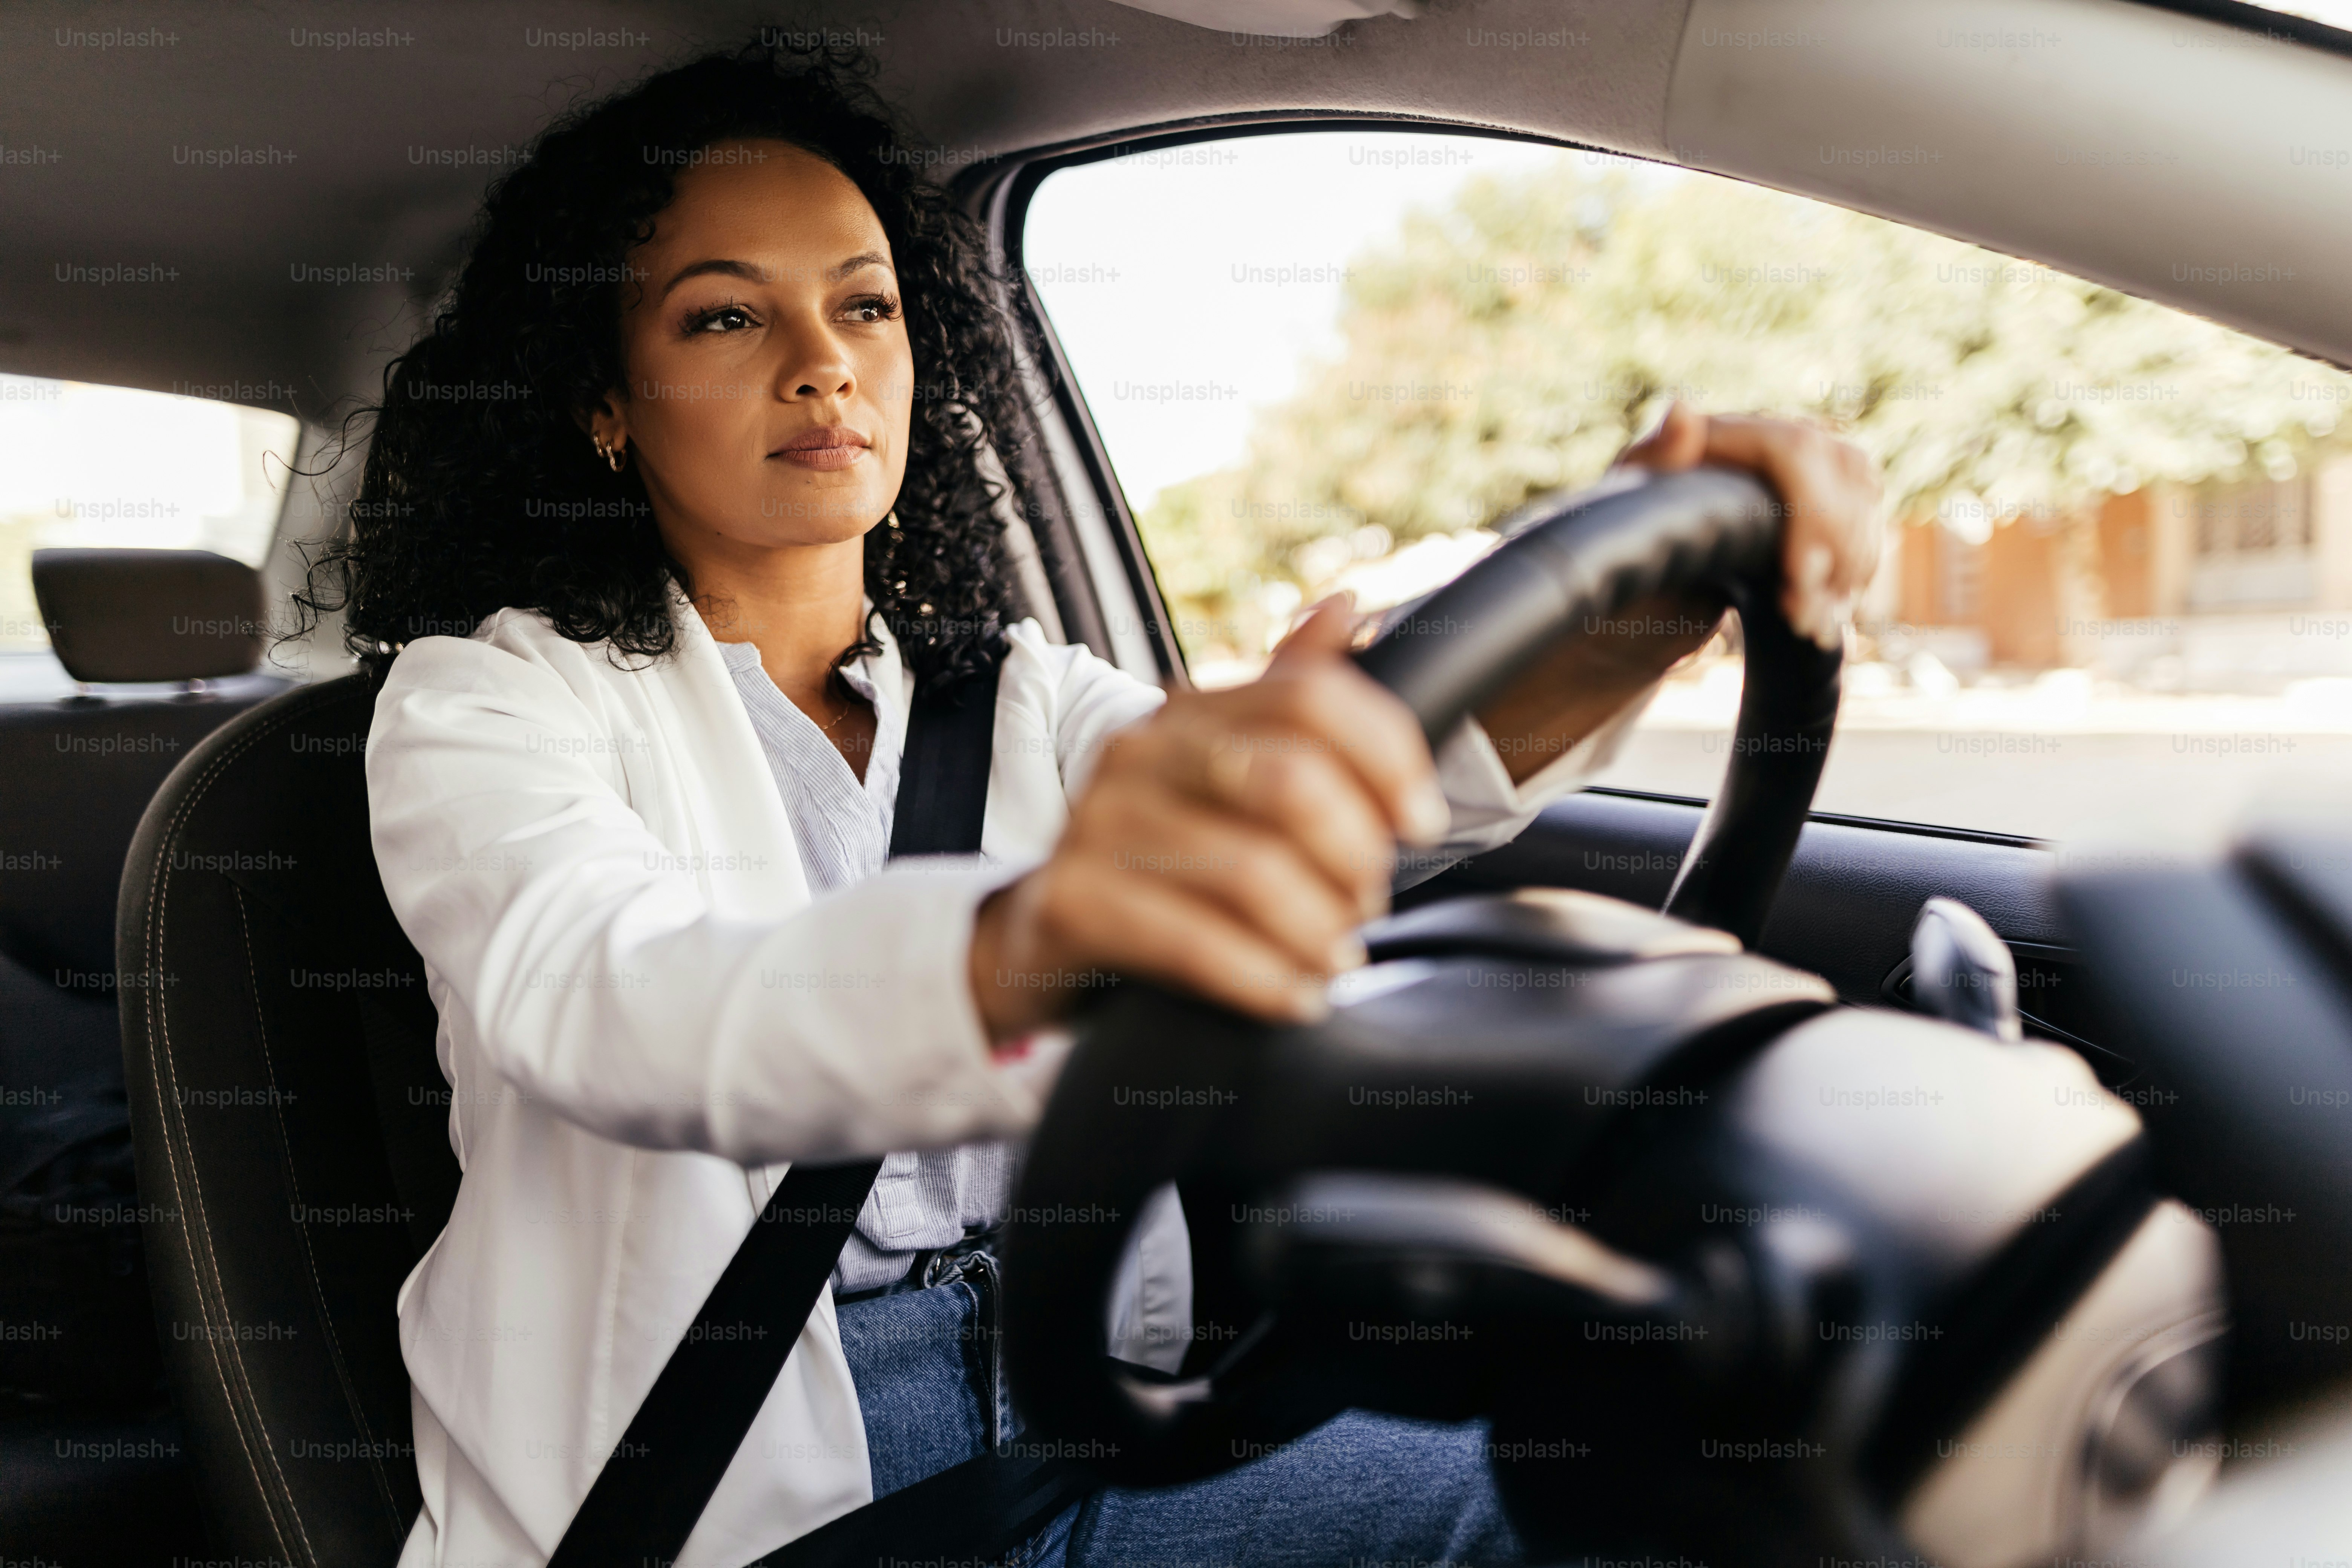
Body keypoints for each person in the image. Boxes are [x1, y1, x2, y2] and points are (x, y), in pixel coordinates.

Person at [308, 38, 1882, 1568]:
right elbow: (610, 997)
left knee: (1641, 1484)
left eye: (866, 304)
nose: (824, 361)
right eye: (728, 317)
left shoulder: (1022, 698)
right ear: (605, 401)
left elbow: (1360, 787)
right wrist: (1018, 943)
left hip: (1077, 1401)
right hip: (734, 1488)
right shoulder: (490, 699)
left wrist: (1645, 600)